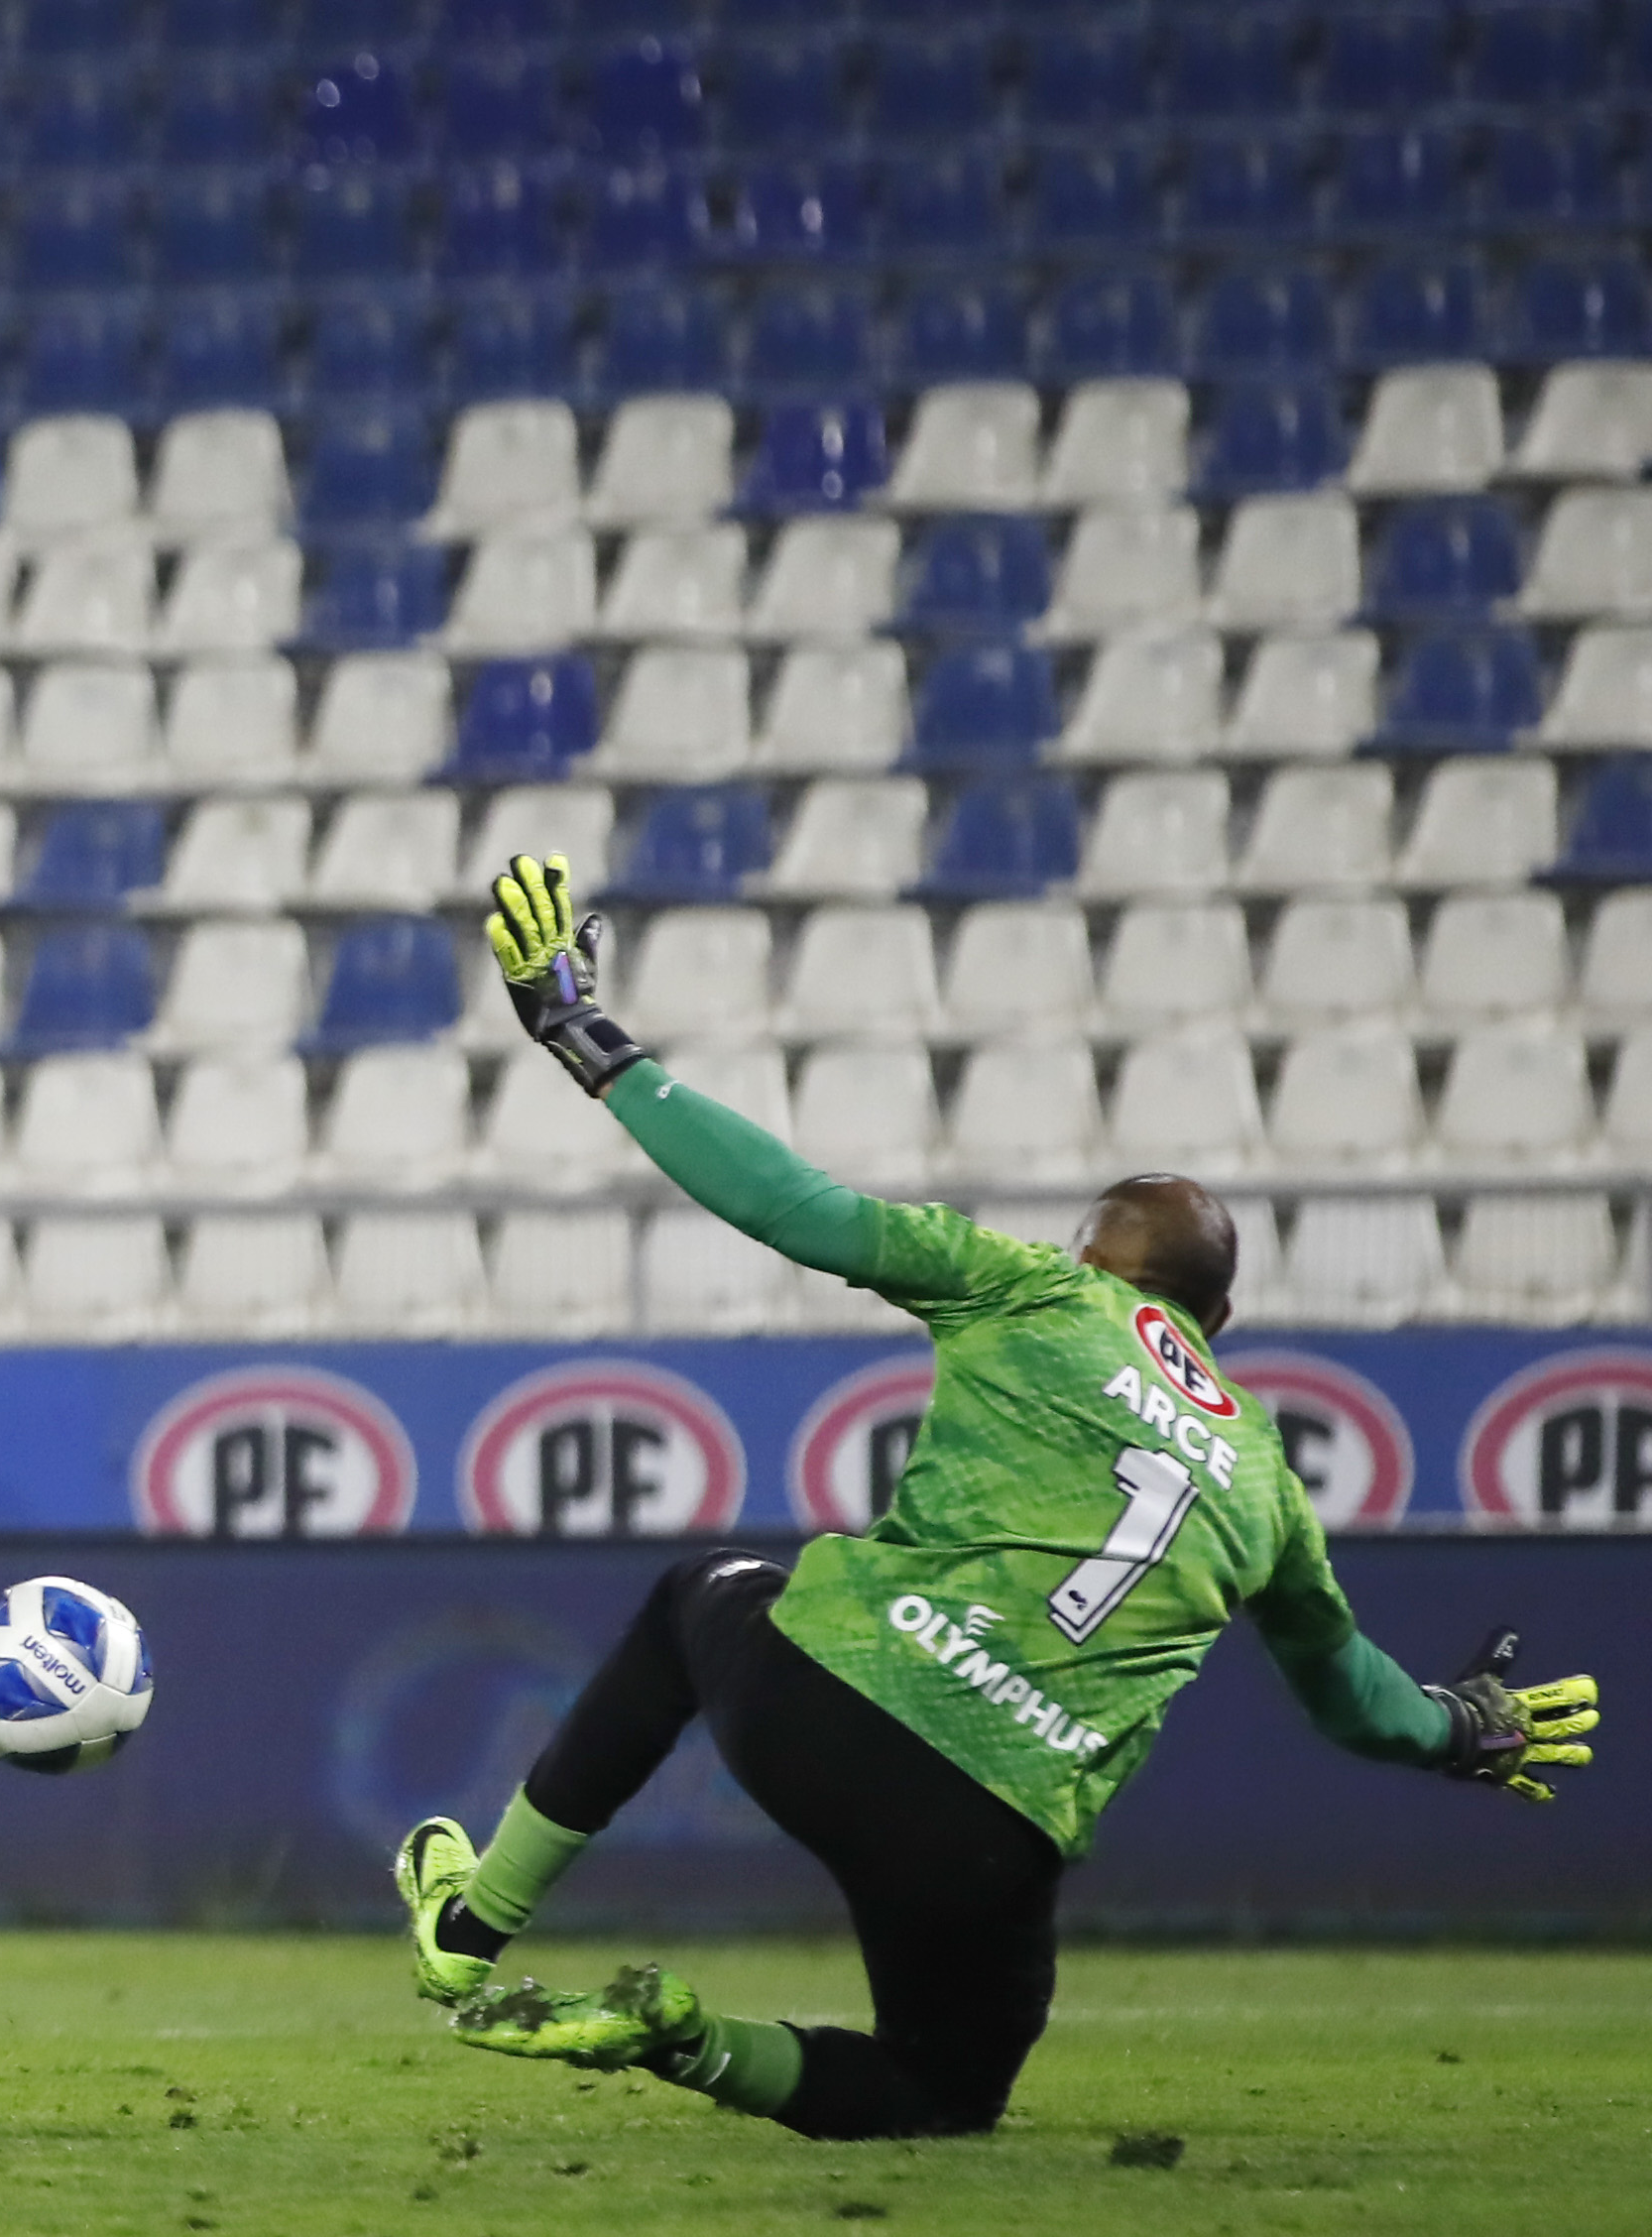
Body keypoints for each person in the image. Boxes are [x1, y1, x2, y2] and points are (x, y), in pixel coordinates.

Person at [394, 852, 1605, 2143]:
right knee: (942, 2089)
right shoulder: (1266, 1484)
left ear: (1093, 1256)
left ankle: (471, 1933)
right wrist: (1459, 1731)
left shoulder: (1034, 1285)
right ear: (1224, 1321)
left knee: (696, 1595)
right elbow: (1356, 1698)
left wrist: (584, 1035)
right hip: (987, 1835)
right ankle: (688, 2041)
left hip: (829, 1700)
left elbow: (792, 1206)